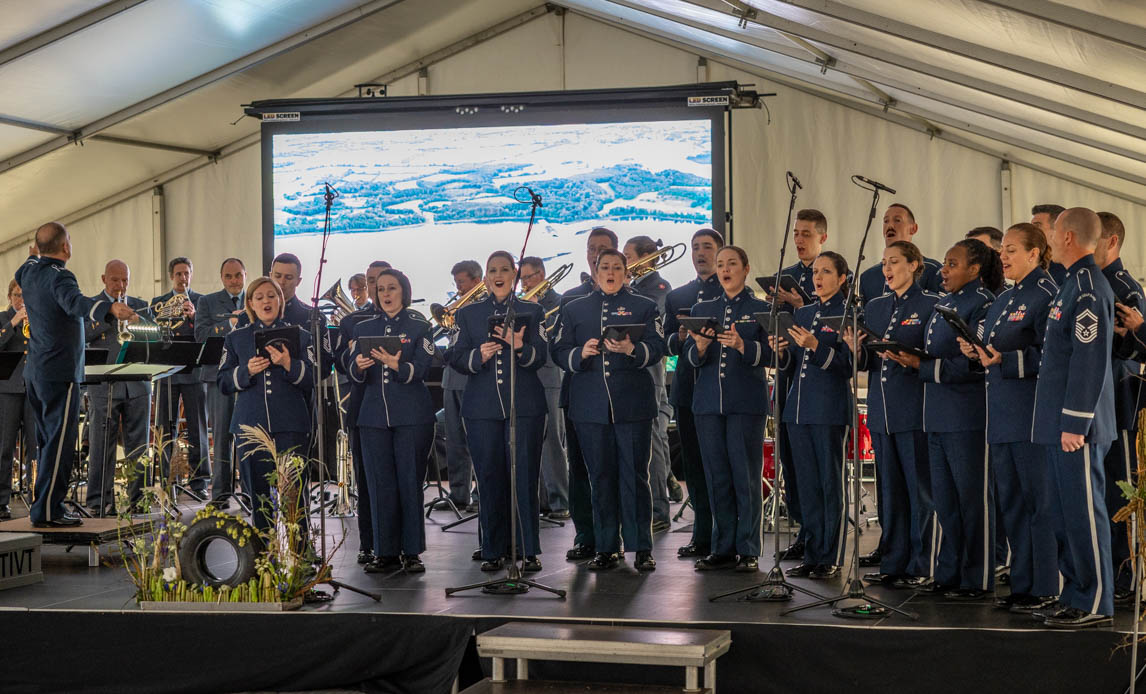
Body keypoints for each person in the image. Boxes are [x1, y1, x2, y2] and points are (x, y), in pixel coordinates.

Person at [888, 239, 1001, 599]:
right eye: (945, 263)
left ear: (974, 269)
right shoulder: (944, 303)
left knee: (972, 502)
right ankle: (949, 572)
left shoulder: (982, 304)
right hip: (935, 414)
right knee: (945, 503)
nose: (944, 270)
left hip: (967, 416)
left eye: (953, 264)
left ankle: (977, 578)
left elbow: (975, 363)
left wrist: (923, 366)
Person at [959, 223, 1058, 613]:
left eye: (1013, 250)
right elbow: (991, 344)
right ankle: (1022, 582)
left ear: (1035, 253)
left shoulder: (1047, 293)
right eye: (1004, 251)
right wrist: (976, 351)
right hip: (1000, 414)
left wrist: (1008, 360)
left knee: (1039, 503)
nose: (1004, 256)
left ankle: (1045, 584)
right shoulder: (1002, 299)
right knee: (1012, 503)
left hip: (1031, 415)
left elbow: (1053, 354)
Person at [17, 222, 135, 527]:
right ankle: (48, 511)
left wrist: (35, 255)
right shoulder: (62, 276)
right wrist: (109, 308)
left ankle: (42, 506)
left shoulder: (29, 271)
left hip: (36, 372)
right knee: (60, 444)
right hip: (60, 372)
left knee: (46, 442)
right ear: (66, 247)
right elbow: (76, 303)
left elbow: (22, 269)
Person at [554, 247, 664, 571]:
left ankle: (641, 546)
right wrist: (580, 353)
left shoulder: (643, 306)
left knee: (635, 476)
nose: (611, 272)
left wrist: (633, 348)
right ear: (596, 271)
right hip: (589, 407)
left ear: (627, 273)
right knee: (599, 477)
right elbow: (558, 349)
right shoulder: (574, 308)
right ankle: (606, 546)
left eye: (617, 267)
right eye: (605, 267)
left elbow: (658, 346)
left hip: (633, 405)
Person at [1032, 207, 1116, 628]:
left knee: (1083, 511)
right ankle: (1075, 593)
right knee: (1062, 512)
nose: (1046, 238)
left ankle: (1095, 600)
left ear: (1067, 237)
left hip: (1074, 426)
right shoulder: (1069, 285)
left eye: (1050, 231)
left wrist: (1075, 423)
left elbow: (1088, 360)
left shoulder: (1086, 287)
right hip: (1057, 423)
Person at [846, 241, 940, 588]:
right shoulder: (875, 306)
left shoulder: (931, 304)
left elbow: (933, 355)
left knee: (919, 492)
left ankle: (922, 563)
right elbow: (867, 363)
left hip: (914, 409)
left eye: (895, 262)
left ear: (915, 265)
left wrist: (910, 359)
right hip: (882, 411)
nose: (887, 269)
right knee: (890, 492)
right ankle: (894, 561)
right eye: (884, 262)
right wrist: (856, 350)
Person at [448, 252, 548, 572]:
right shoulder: (469, 314)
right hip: (481, 408)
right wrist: (477, 356)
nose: (499, 274)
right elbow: (455, 356)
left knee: (524, 476)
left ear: (515, 275)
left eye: (505, 269)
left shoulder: (532, 311)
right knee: (489, 478)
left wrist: (518, 346)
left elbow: (541, 357)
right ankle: (492, 548)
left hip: (526, 406)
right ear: (487, 277)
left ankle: (528, 548)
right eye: (493, 270)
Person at [685, 245, 770, 572]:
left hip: (745, 404)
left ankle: (748, 548)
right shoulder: (703, 307)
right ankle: (722, 546)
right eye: (721, 264)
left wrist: (743, 346)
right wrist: (701, 347)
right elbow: (691, 359)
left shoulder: (759, 308)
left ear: (746, 268)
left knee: (745, 477)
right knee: (716, 476)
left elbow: (773, 357)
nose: (725, 269)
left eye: (732, 263)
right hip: (707, 404)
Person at [351, 268, 435, 573]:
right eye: (381, 289)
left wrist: (398, 364)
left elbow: (424, 368)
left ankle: (411, 551)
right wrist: (358, 366)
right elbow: (352, 371)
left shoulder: (418, 325)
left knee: (409, 483)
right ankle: (384, 551)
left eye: (392, 289)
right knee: (379, 485)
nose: (386, 294)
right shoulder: (364, 327)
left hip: (412, 415)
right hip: (372, 417)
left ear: (404, 292)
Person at [775, 251, 853, 579]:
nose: (817, 278)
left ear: (842, 278)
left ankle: (830, 556)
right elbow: (792, 365)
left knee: (828, 483)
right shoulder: (803, 313)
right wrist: (779, 351)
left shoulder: (848, 314)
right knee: (806, 484)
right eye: (816, 272)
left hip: (829, 408)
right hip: (797, 408)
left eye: (825, 272)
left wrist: (814, 346)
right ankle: (812, 552)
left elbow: (850, 365)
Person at [218, 277, 314, 533]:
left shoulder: (301, 336)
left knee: (295, 493)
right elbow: (223, 381)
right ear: (250, 303)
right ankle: (264, 553)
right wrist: (246, 371)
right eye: (259, 297)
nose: (265, 301)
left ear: (280, 300)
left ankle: (300, 553)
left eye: (271, 296)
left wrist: (287, 364)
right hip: (250, 425)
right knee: (259, 496)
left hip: (290, 424)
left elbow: (313, 376)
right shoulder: (236, 338)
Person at [768, 209, 830, 562]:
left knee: (818, 468)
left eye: (806, 233)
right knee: (792, 464)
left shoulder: (834, 272)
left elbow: (827, 320)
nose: (799, 240)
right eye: (796, 233)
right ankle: (804, 531)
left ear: (823, 237)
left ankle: (822, 538)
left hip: (818, 378)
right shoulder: (785, 275)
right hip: (789, 373)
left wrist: (799, 305)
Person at [559, 227, 621, 561]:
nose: (596, 254)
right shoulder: (570, 299)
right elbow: (560, 348)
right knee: (580, 471)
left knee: (616, 470)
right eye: (591, 248)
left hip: (617, 401)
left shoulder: (629, 296)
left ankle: (615, 536)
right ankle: (586, 535)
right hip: (579, 397)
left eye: (604, 249)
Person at [1092, 211, 1142, 605]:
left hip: (1122, 406)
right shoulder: (1090, 283)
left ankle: (1131, 575)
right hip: (1096, 405)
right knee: (1104, 493)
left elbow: (1135, 352)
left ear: (1111, 242)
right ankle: (1111, 573)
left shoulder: (1124, 287)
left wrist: (1130, 334)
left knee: (1122, 497)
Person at [664, 228, 723, 560]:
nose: (701, 253)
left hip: (718, 391)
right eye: (695, 247)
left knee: (718, 466)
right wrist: (682, 336)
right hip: (686, 391)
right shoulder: (678, 296)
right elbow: (667, 343)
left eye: (707, 247)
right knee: (694, 468)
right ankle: (702, 534)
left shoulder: (728, 294)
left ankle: (724, 534)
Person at [84, 260, 152, 515]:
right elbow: (81, 334)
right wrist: (109, 314)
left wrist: (137, 319)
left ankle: (139, 500)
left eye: (125, 280)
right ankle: (98, 501)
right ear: (103, 279)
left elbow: (155, 337)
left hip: (138, 385)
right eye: (115, 280)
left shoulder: (142, 305)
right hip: (103, 385)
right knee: (102, 445)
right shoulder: (91, 307)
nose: (120, 285)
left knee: (139, 446)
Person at [335, 260, 389, 565]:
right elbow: (340, 361)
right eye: (371, 282)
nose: (377, 287)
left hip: (398, 410)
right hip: (363, 407)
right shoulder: (352, 321)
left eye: (383, 281)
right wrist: (353, 352)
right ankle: (368, 544)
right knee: (367, 483)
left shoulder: (408, 319)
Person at [623, 235, 673, 534]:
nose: (625, 262)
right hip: (628, 372)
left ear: (646, 258)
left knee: (652, 442)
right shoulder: (637, 288)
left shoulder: (657, 288)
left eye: (628, 256)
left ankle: (658, 509)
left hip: (649, 372)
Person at [151, 257, 208, 497]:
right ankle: (166, 481)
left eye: (186, 273)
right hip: (167, 372)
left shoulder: (203, 302)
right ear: (171, 276)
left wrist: (194, 317)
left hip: (194, 371)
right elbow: (154, 334)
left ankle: (200, 482)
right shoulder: (158, 303)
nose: (183, 278)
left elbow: (204, 335)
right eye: (178, 274)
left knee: (198, 429)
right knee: (165, 428)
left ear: (191, 274)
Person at [195, 257, 248, 503]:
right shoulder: (206, 302)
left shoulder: (256, 298)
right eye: (229, 276)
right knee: (222, 434)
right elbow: (201, 334)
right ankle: (220, 494)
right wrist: (229, 323)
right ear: (221, 278)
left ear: (245, 275)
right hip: (218, 378)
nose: (234, 280)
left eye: (238, 275)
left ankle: (250, 493)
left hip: (250, 378)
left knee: (248, 436)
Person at [520, 256, 569, 520]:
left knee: (552, 441)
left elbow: (552, 338)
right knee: (529, 440)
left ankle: (560, 501)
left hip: (549, 375)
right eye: (523, 279)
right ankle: (539, 501)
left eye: (529, 277)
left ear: (542, 275)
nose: (525, 283)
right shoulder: (520, 303)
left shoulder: (559, 302)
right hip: (526, 376)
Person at [442, 259, 481, 513]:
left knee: (477, 440)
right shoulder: (457, 308)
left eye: (462, 283)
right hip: (451, 378)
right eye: (456, 283)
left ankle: (480, 494)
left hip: (472, 379)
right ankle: (458, 494)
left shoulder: (481, 308)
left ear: (476, 282)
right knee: (454, 440)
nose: (458, 289)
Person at [858, 203, 943, 306]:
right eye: (886, 221)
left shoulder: (933, 270)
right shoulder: (868, 277)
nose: (890, 226)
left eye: (897, 220)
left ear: (913, 229)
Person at [0, 280, 34, 520]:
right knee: (4, 447)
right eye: (17, 295)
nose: (21, 300)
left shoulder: (37, 319)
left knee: (36, 447)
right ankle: (1, 501)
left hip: (33, 389)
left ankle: (37, 498)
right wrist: (13, 322)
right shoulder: (3, 318)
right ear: (10, 296)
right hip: (8, 389)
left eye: (25, 296)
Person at [1030, 204, 1069, 284]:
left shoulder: (1072, 267)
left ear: (1058, 229)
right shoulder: (1034, 265)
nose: (1030, 232)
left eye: (1037, 226)